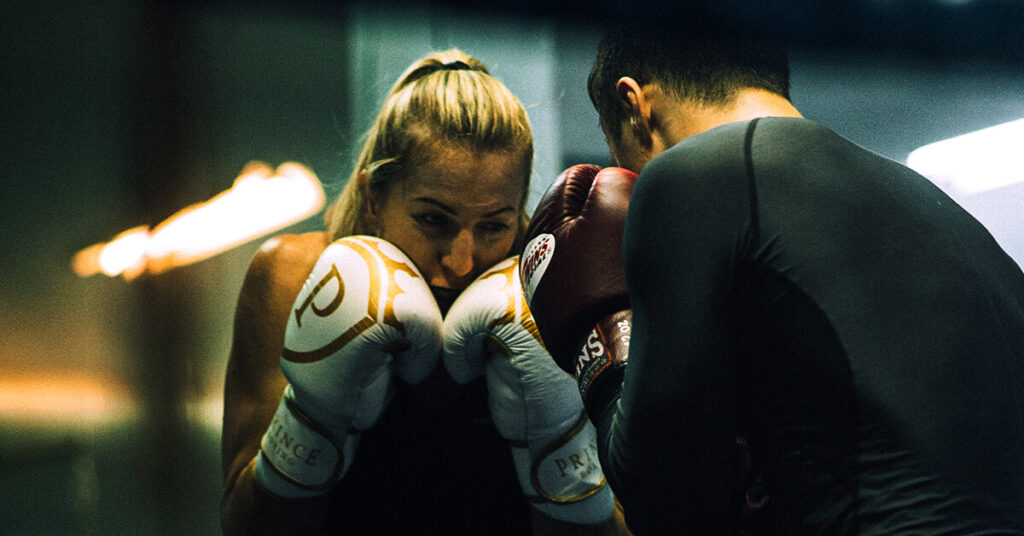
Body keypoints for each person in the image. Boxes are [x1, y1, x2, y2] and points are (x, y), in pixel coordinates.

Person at [520, 29, 1024, 535]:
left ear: (634, 106)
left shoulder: (687, 177)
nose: (626, 177)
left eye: (619, 154)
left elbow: (665, 494)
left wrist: (602, 350)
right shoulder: (950, 217)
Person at [220, 49, 630, 535]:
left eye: (493, 226)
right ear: (374, 198)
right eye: (433, 220)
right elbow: (246, 527)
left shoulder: (549, 298)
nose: (461, 261)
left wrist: (554, 443)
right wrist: (315, 417)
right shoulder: (294, 278)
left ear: (519, 213)